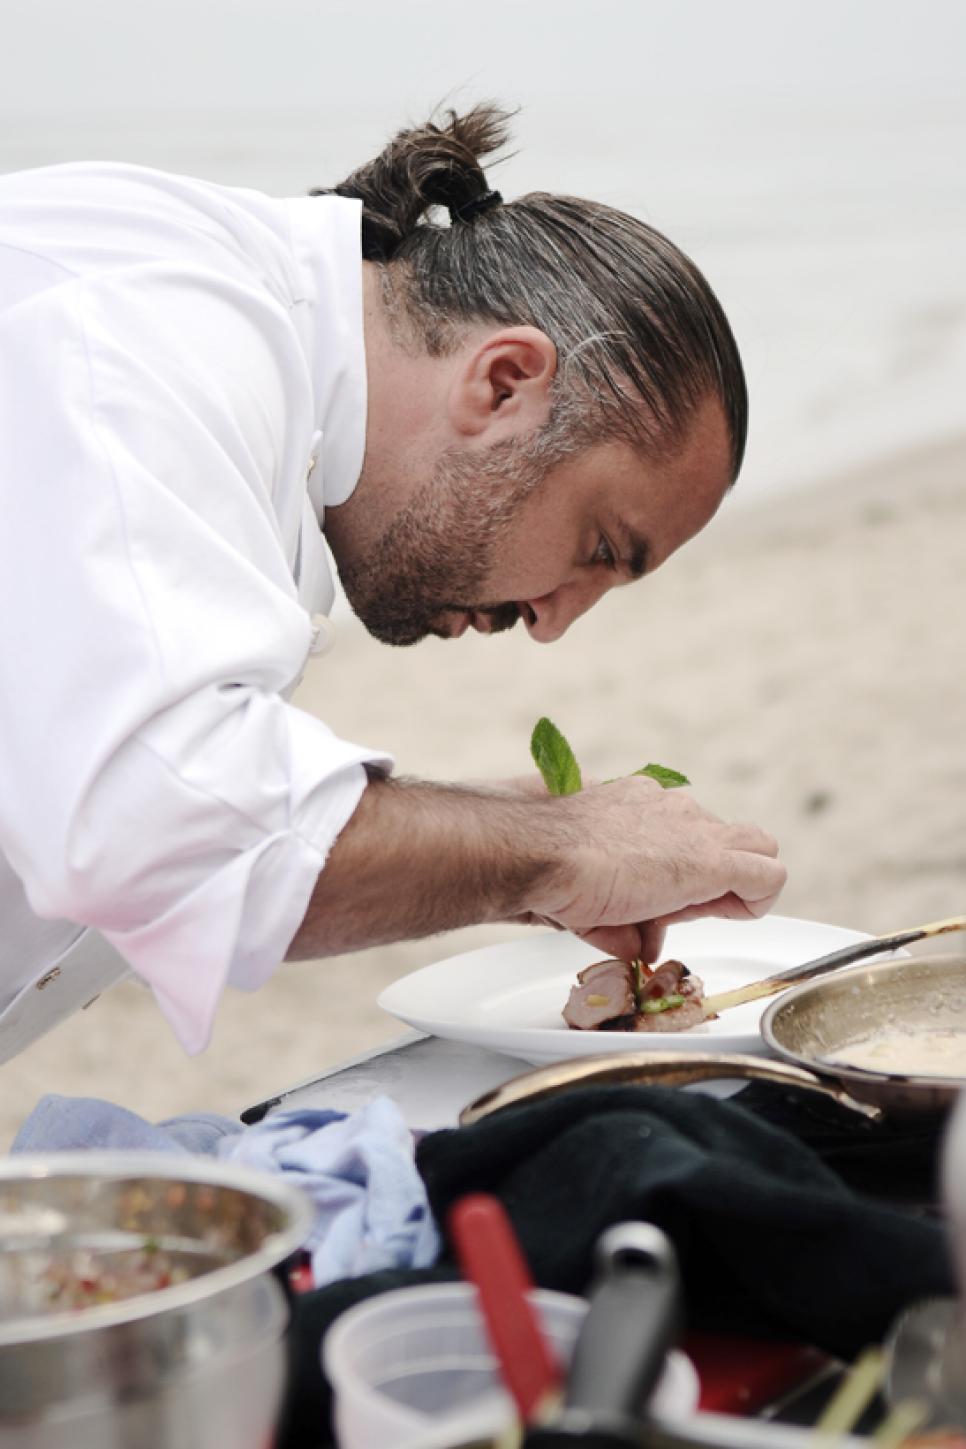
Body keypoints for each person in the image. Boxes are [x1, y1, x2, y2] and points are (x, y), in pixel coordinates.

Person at [0, 104, 785, 1062]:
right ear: (503, 383)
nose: (552, 624)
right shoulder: (144, 341)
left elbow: (170, 798)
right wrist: (562, 847)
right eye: (599, 546)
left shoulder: (244, 353)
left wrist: (511, 836)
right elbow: (159, 825)